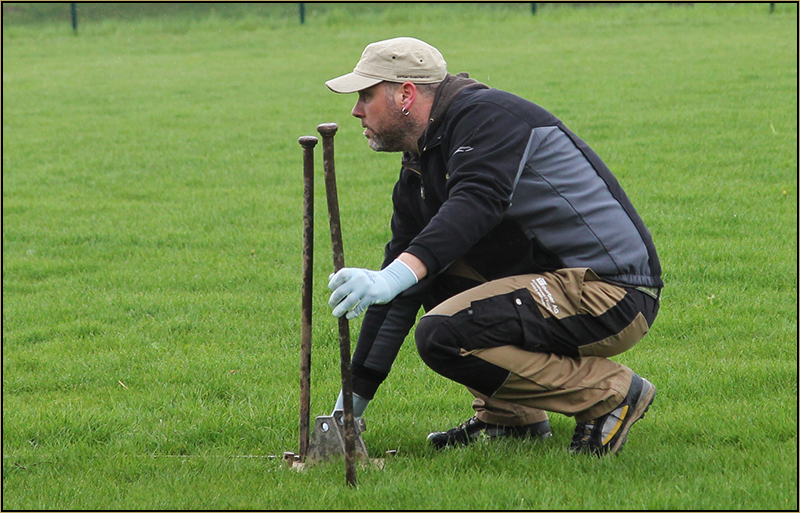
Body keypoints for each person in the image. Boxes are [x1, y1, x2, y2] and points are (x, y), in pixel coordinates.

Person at [323, 37, 663, 456]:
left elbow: (476, 203)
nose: (356, 110)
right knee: (426, 275)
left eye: (366, 95)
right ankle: (512, 419)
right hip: (556, 284)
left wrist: (395, 275)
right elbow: (399, 290)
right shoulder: (421, 164)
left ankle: (609, 392)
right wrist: (345, 417)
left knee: (441, 333)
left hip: (611, 293)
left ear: (405, 94)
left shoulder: (487, 118)